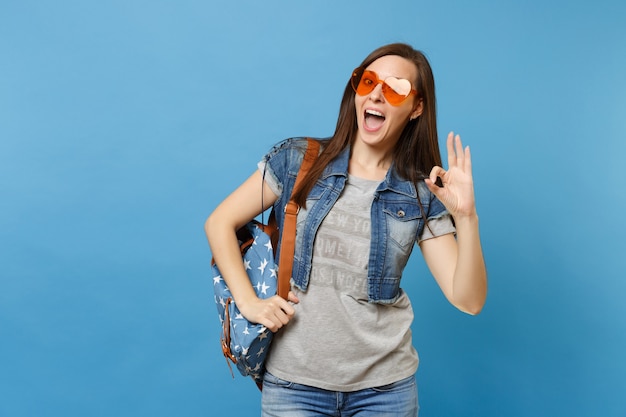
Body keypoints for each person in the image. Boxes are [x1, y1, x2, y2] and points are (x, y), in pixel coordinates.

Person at [205, 42, 487, 417]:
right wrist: (249, 303)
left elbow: (468, 300)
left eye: (395, 88)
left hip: (384, 391)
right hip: (294, 386)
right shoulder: (298, 161)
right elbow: (220, 222)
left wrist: (467, 218)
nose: (376, 94)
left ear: (416, 107)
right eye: (368, 80)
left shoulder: (421, 192)